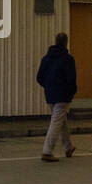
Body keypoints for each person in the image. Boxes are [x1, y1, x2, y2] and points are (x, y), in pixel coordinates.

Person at [36, 32, 77, 162]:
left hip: (50, 94)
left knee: (60, 119)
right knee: (56, 121)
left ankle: (68, 146)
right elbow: (71, 79)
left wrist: (48, 86)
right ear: (66, 42)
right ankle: (47, 151)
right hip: (63, 94)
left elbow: (39, 77)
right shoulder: (68, 59)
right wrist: (72, 92)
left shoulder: (46, 58)